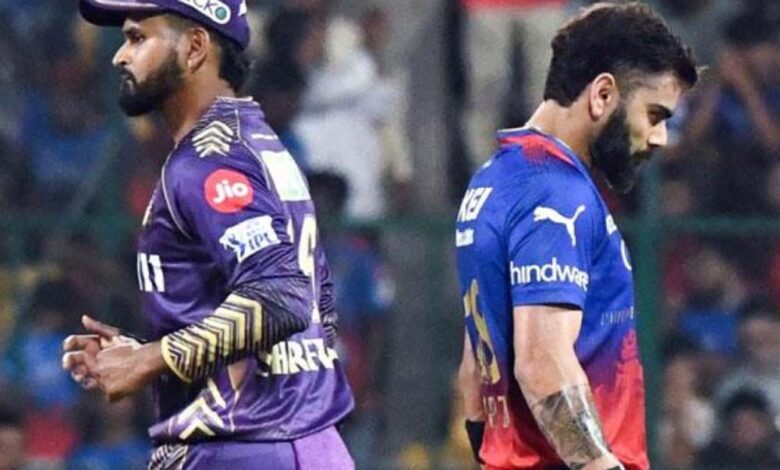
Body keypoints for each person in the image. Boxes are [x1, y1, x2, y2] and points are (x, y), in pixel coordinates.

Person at [61, 1, 354, 468]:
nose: (119, 56)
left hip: (253, 449)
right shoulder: (253, 142)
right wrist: (152, 353)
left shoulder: (210, 159)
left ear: (195, 47)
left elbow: (281, 297)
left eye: (138, 38)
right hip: (291, 439)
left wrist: (150, 360)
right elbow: (311, 302)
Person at [454, 2, 698, 469]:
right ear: (602, 94)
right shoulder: (556, 192)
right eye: (654, 114)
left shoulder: (495, 180)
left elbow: (475, 371)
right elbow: (542, 362)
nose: (660, 137)